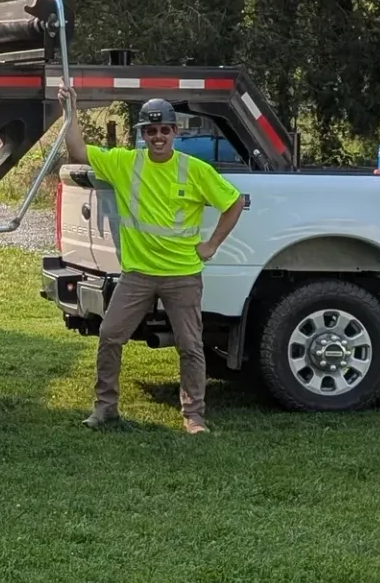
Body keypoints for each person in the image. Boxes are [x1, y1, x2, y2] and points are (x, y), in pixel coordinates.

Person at [58, 88, 246, 433]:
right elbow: (78, 151)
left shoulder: (196, 170)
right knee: (110, 335)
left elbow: (233, 203)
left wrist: (212, 244)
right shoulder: (125, 163)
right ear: (142, 134)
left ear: (175, 132)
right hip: (138, 275)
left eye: (164, 130)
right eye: (150, 131)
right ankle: (105, 408)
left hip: (183, 275)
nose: (157, 137)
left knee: (190, 346)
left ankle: (193, 416)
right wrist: (70, 111)